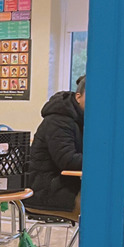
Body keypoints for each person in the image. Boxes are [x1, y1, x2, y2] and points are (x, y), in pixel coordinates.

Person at [27, 75, 85, 219]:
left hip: (64, 187)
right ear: (78, 97)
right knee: (102, 209)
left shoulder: (80, 120)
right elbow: (68, 160)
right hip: (45, 191)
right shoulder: (59, 120)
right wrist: (104, 161)